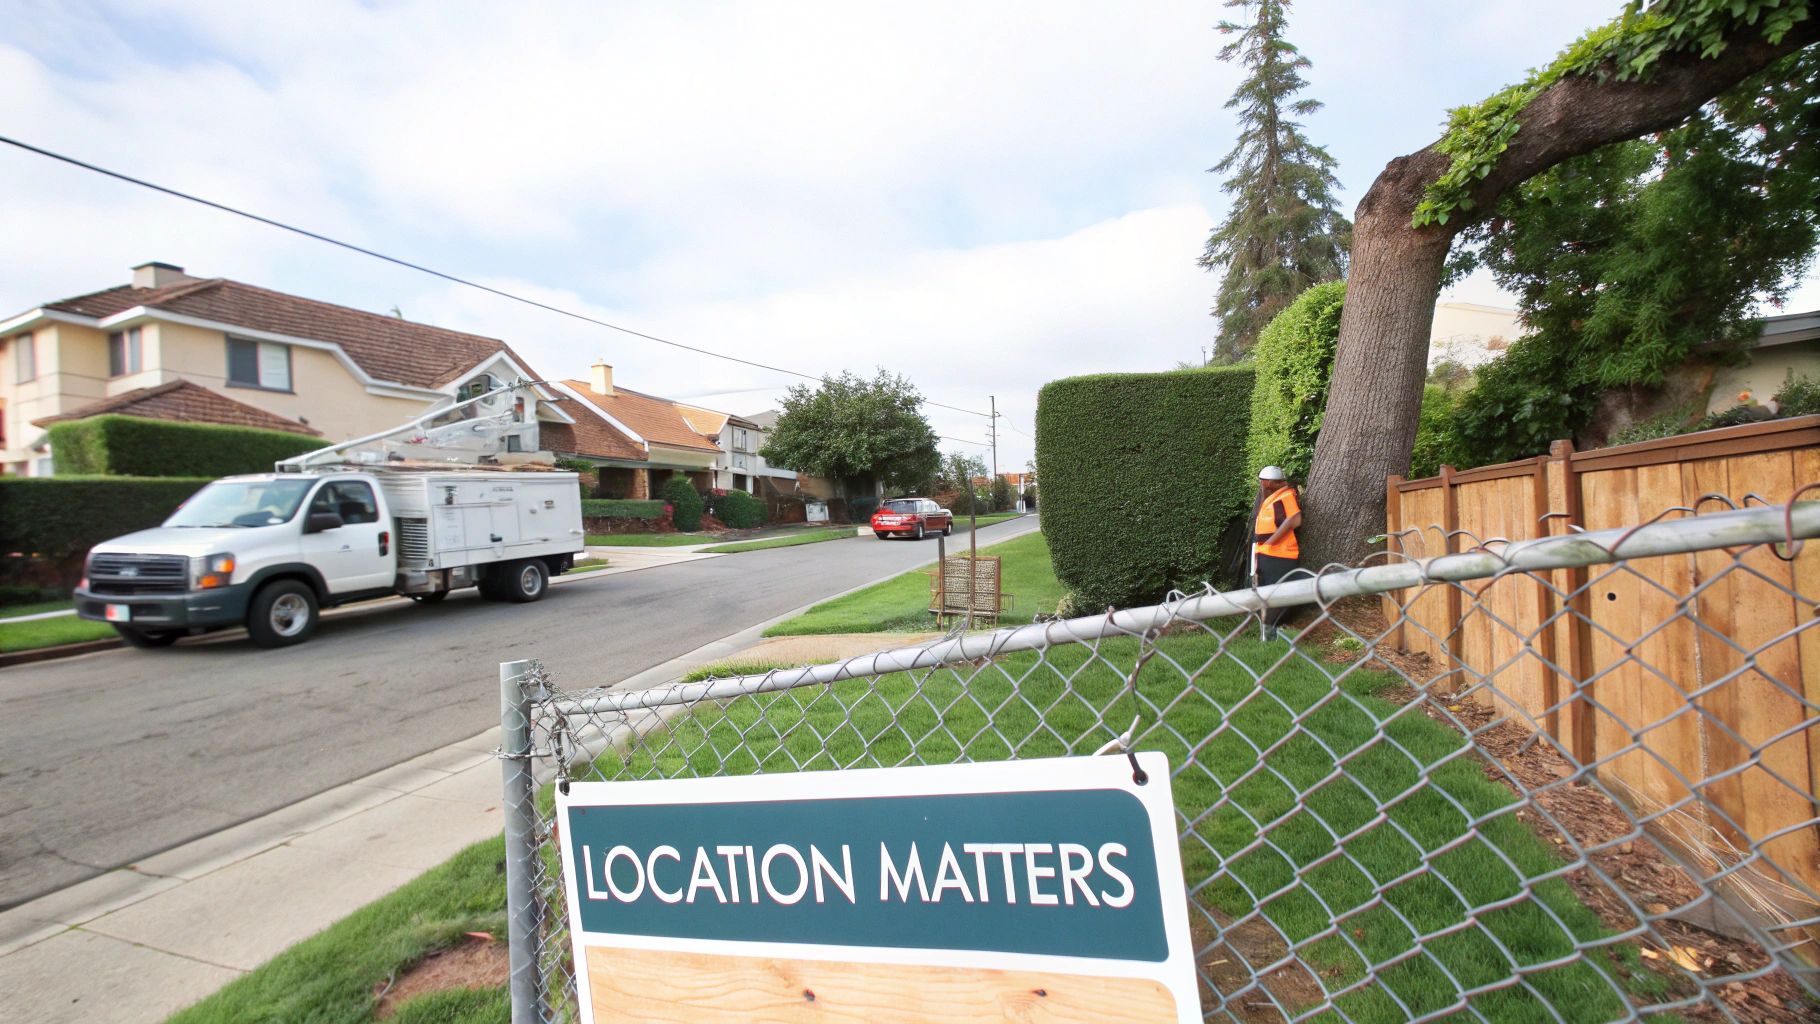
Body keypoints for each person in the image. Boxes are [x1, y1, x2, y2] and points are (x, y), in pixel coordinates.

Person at [1252, 465, 1302, 641]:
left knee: (1277, 593)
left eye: (1263, 481)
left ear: (1269, 482)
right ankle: (1269, 632)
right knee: (1267, 593)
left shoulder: (1286, 495)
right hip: (1267, 553)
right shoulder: (1274, 497)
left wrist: (1272, 540)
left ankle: (1275, 631)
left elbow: (1295, 519)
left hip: (1279, 554)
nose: (1261, 484)